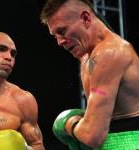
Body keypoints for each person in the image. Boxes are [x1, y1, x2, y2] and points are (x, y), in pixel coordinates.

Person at [40, 0, 139, 149]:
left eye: (62, 31)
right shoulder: (87, 56)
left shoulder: (109, 52)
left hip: (129, 142)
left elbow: (93, 135)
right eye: (55, 36)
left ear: (86, 18)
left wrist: (68, 123)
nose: (59, 42)